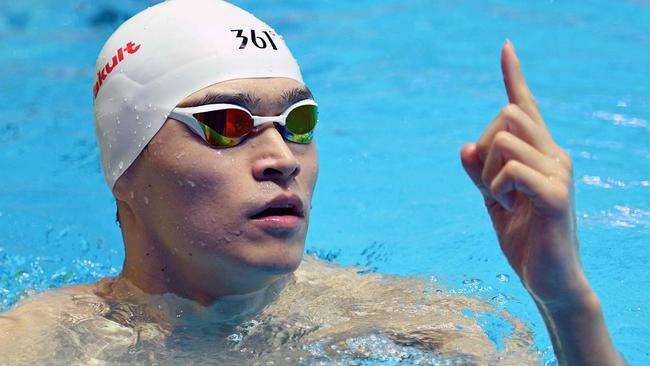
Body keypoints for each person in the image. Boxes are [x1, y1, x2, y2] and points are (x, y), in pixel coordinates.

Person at [0, 0, 625, 364]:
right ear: (126, 173)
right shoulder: (39, 346)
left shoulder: (402, 319)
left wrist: (566, 300)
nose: (281, 156)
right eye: (225, 124)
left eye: (298, 122)